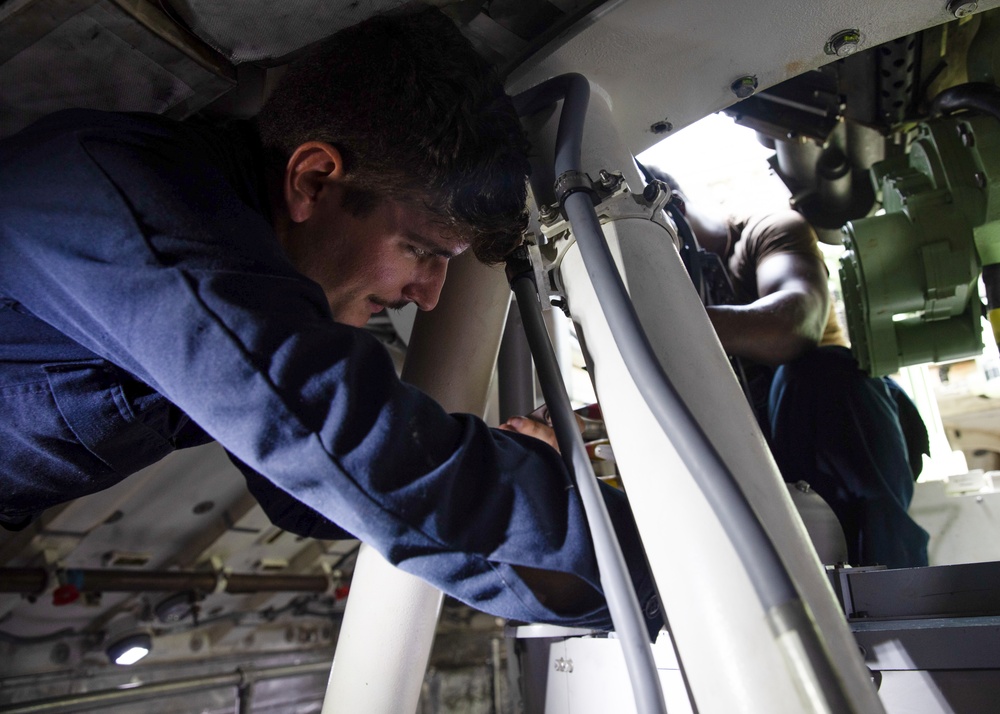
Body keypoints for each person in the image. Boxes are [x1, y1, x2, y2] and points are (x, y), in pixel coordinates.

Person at [0, 9, 661, 634]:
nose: (428, 296)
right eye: (422, 251)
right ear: (314, 179)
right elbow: (343, 440)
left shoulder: (252, 272)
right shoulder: (142, 214)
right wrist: (661, 560)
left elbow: (301, 493)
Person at [649, 168, 930, 569]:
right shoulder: (667, 286)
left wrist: (660, 324)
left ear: (671, 205)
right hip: (762, 456)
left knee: (817, 369)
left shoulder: (767, 229)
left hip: (843, 427)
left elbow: (794, 325)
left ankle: (898, 582)